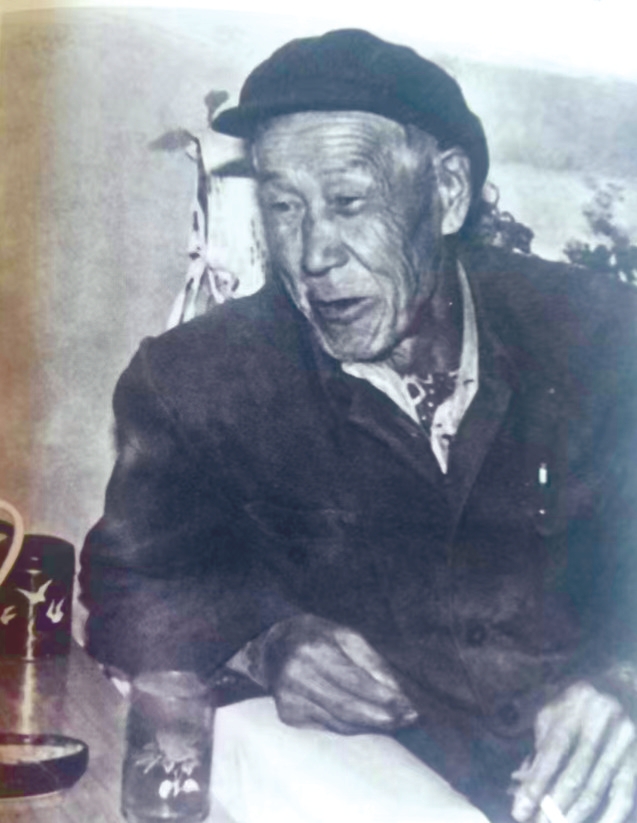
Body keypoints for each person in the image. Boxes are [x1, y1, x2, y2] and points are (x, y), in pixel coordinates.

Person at [80, 28, 637, 823]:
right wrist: (266, 643)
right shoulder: (197, 378)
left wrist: (625, 676)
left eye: (347, 202)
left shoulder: (602, 336)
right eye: (283, 206)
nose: (313, 253)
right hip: (385, 787)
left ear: (447, 192)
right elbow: (128, 583)